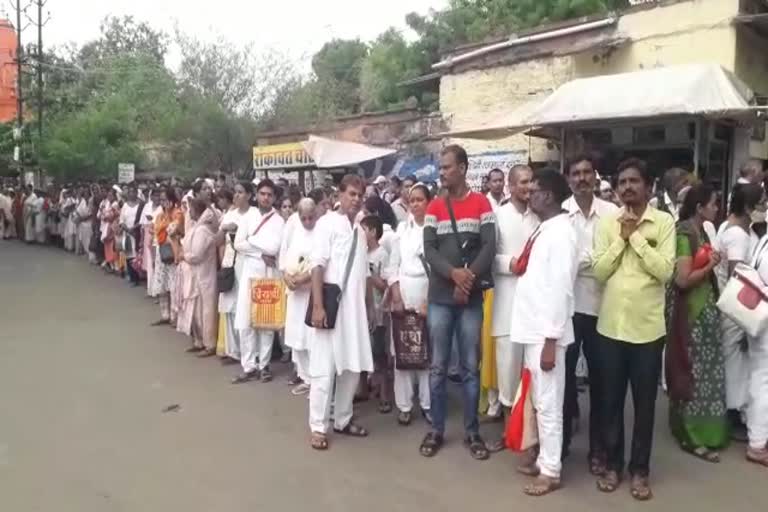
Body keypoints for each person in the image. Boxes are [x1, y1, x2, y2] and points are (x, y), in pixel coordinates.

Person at [592, 158, 675, 501]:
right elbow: (598, 272)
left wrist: (637, 239)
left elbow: (666, 272)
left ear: (649, 186)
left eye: (634, 181)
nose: (627, 187)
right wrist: (621, 239)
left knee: (644, 406)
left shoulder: (665, 223)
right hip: (611, 328)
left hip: (647, 331)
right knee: (610, 402)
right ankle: (613, 465)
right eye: (622, 181)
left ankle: (640, 471)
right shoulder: (608, 223)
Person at [419, 144, 495, 461]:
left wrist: (468, 279)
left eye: (446, 167)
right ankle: (437, 429)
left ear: (462, 168)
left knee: (469, 368)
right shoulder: (434, 207)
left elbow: (490, 246)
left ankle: (472, 431)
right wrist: (454, 274)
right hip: (439, 298)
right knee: (437, 367)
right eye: (440, 168)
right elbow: (430, 250)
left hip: (471, 299)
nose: (442, 172)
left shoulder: (482, 203)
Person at [509, 168, 577, 496]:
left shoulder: (561, 233)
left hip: (546, 335)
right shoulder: (546, 228)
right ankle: (544, 459)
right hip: (534, 331)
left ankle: (551, 470)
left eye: (534, 189)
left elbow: (560, 290)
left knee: (549, 404)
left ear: (548, 195)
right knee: (540, 401)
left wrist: (551, 340)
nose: (529, 193)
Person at [307, 174, 373, 450]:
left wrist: (369, 308)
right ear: (339, 195)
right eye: (352, 194)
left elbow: (365, 274)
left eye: (360, 195)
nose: (356, 200)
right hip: (332, 308)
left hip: (354, 312)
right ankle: (318, 426)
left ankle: (342, 420)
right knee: (324, 369)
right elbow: (317, 267)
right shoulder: (326, 224)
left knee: (352, 367)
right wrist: (319, 306)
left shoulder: (359, 231)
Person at [561, 155, 619, 469]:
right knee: (565, 380)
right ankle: (562, 445)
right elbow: (564, 261)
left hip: (602, 308)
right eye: (576, 174)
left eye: (587, 173)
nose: (582, 178)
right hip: (568, 308)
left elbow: (616, 254)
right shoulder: (560, 214)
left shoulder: (611, 212)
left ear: (595, 177)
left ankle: (599, 450)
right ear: (568, 178)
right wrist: (596, 260)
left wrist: (584, 260)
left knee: (601, 382)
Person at [665, 183, 728, 463]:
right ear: (700, 206)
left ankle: (705, 433)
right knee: (691, 375)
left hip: (704, 314)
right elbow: (682, 280)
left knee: (705, 376)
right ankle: (692, 436)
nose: (717, 208)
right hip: (691, 315)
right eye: (714, 203)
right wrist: (710, 267)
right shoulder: (685, 234)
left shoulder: (700, 230)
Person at [485, 164, 538, 437]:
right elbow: (487, 259)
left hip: (534, 304)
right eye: (523, 182)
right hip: (507, 301)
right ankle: (509, 432)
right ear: (511, 185)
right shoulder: (497, 216)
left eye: (531, 182)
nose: (528, 187)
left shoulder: (539, 218)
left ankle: (527, 432)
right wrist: (510, 263)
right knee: (507, 368)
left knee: (530, 370)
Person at [713, 182, 765, 441]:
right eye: (760, 204)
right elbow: (738, 274)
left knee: (735, 360)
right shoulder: (739, 235)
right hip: (737, 308)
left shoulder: (731, 226)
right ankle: (733, 413)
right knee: (734, 361)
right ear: (747, 207)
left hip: (731, 305)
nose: (764, 208)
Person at [388, 182, 433, 425]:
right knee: (402, 349)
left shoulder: (435, 230)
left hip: (427, 291)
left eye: (420, 199)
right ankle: (404, 405)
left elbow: (438, 269)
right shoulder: (401, 231)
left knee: (425, 350)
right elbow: (392, 266)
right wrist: (396, 296)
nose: (415, 204)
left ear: (428, 202)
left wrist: (429, 301)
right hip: (404, 290)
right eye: (412, 200)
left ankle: (427, 404)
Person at [232, 179, 285, 383]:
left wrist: (253, 243)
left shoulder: (279, 221)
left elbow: (274, 248)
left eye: (269, 195)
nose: (265, 197)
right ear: (256, 194)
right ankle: (248, 366)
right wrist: (259, 253)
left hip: (269, 277)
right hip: (250, 273)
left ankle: (264, 365)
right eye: (262, 193)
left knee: (266, 323)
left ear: (274, 197)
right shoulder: (249, 216)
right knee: (246, 322)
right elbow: (238, 244)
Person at [279, 197, 318, 395]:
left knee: (311, 337)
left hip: (311, 293)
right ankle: (304, 377)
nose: (308, 222)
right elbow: (285, 255)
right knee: (296, 335)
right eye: (304, 218)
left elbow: (321, 263)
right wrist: (286, 275)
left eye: (311, 218)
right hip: (295, 294)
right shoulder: (294, 230)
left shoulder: (321, 234)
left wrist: (304, 277)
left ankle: (316, 379)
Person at [177, 198, 220, 356]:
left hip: (205, 274)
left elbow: (197, 255)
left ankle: (210, 344)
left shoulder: (202, 230)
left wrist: (183, 256)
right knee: (199, 310)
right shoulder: (198, 227)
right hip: (198, 274)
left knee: (207, 310)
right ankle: (200, 340)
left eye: (191, 209)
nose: (190, 212)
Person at [361, 214, 393, 414]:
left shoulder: (382, 255)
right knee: (363, 352)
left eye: (364, 229)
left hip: (379, 311)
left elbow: (385, 285)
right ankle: (363, 389)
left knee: (380, 354)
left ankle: (384, 395)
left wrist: (369, 275)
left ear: (373, 232)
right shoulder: (360, 253)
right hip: (362, 309)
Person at [217, 185, 251, 366]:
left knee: (244, 309)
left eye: (241, 192)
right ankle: (233, 351)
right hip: (230, 264)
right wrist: (223, 229)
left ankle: (249, 353)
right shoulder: (229, 215)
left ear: (249, 195)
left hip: (247, 264)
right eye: (236, 192)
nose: (237, 195)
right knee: (229, 309)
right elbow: (216, 241)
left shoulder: (254, 215)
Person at [747, 232, 768, 466]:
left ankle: (757, 437)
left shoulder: (764, 238)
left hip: (758, 318)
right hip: (765, 322)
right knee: (763, 382)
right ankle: (758, 444)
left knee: (759, 378)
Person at [151, 188, 183, 326]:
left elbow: (173, 230)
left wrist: (169, 214)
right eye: (162, 200)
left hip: (173, 251)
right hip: (161, 250)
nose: (163, 202)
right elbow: (155, 232)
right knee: (162, 284)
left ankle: (174, 317)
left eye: (165, 199)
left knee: (173, 285)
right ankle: (165, 315)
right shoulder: (159, 215)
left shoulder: (178, 213)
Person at [119, 185, 144, 287]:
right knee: (129, 255)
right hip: (128, 234)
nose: (131, 194)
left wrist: (133, 228)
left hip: (137, 233)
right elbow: (121, 221)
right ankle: (133, 277)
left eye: (133, 192)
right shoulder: (125, 205)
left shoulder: (141, 205)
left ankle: (139, 276)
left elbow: (142, 220)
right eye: (129, 192)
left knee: (137, 255)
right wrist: (127, 229)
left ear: (136, 193)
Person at [140, 188, 161, 295]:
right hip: (148, 235)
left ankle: (157, 290)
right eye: (155, 196)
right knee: (149, 263)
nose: (157, 198)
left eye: (159, 196)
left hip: (158, 237)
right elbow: (142, 224)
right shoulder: (147, 206)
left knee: (157, 263)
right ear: (151, 197)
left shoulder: (162, 208)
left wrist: (152, 219)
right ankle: (150, 289)